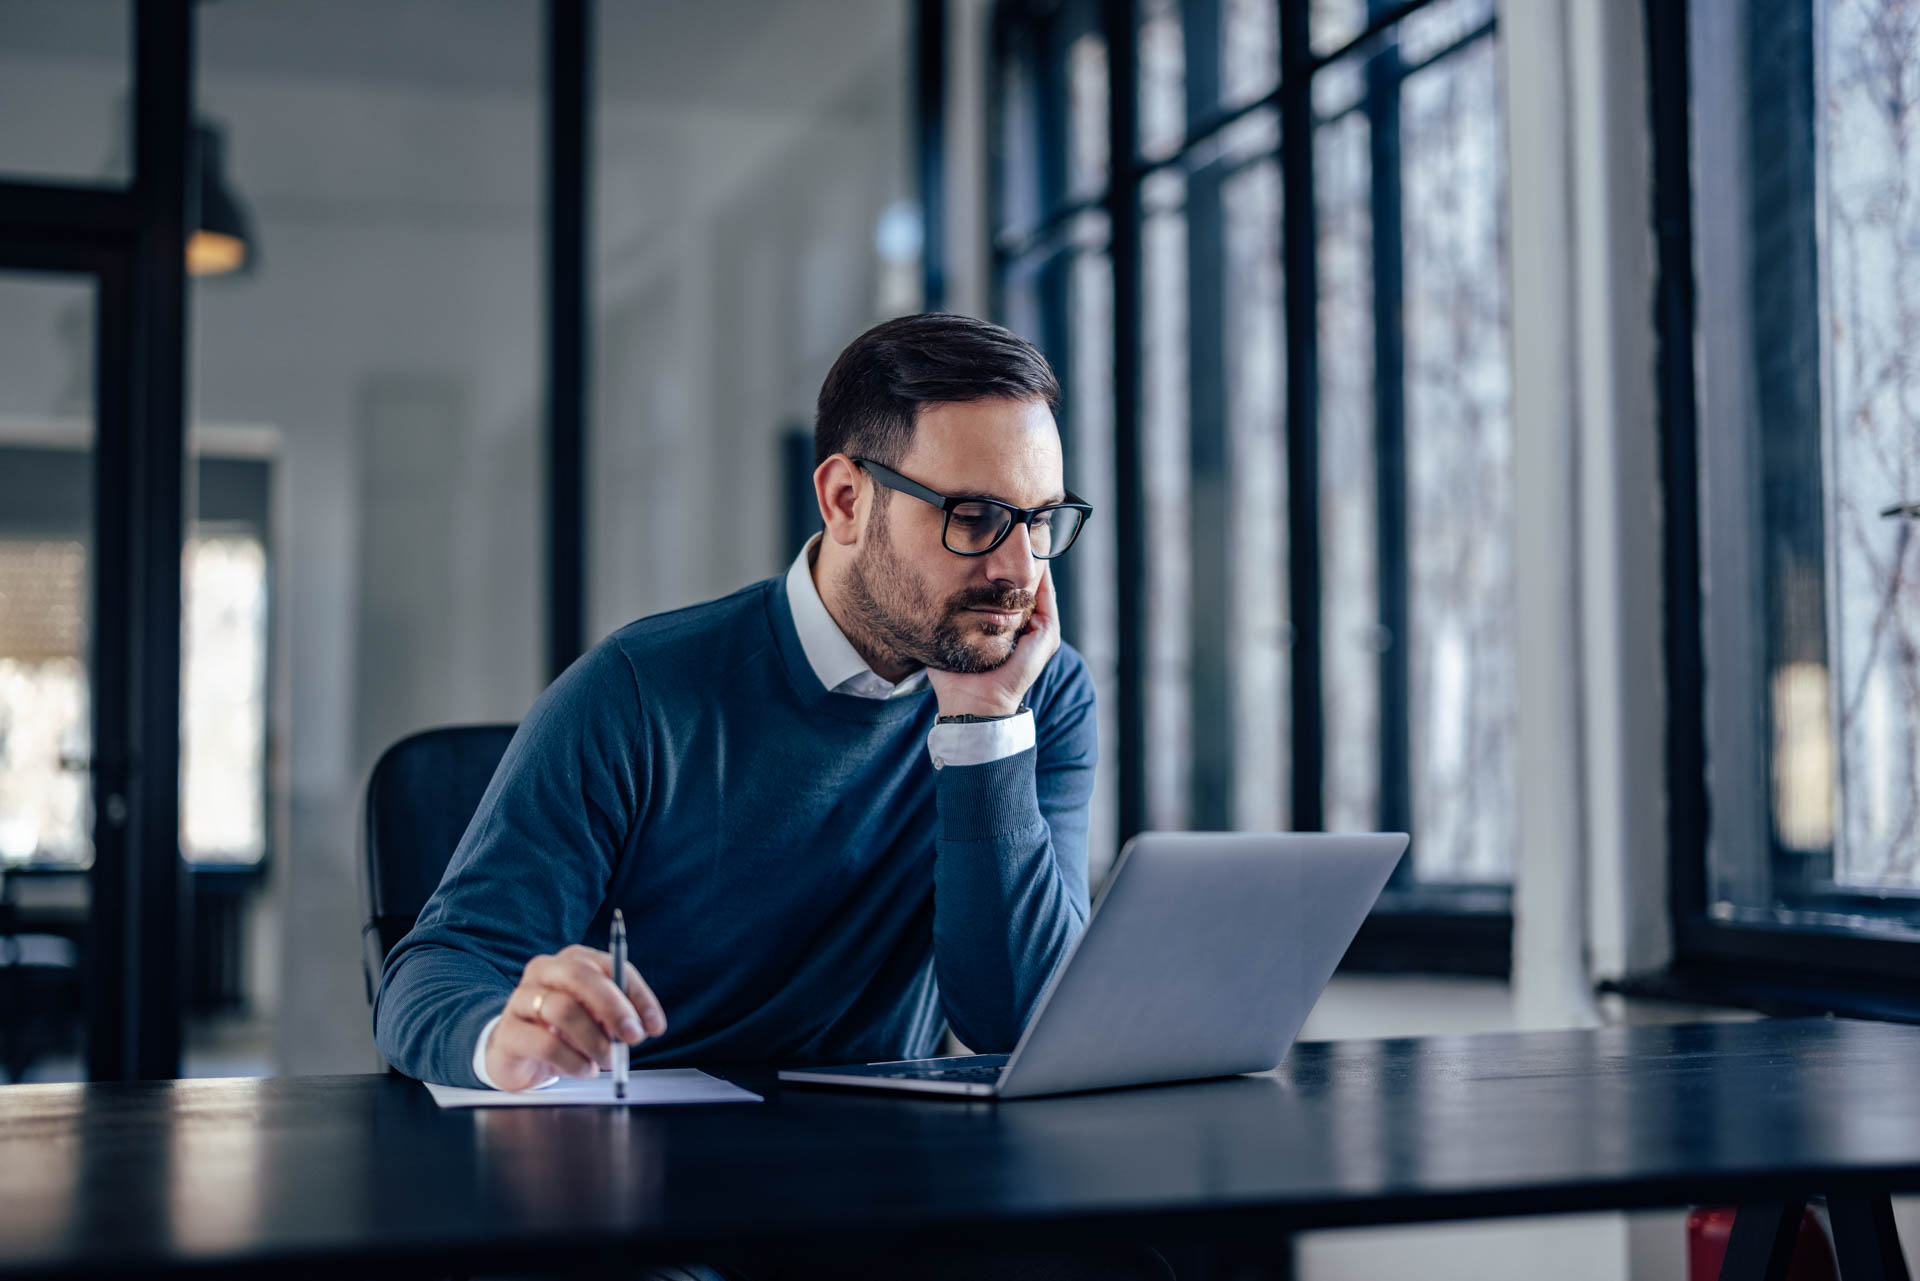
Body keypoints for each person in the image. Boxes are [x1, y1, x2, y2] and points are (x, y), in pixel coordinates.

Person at [372, 310, 1097, 1100]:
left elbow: (1019, 1022)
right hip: (648, 1174)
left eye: (1037, 520)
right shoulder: (637, 692)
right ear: (846, 499)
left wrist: (984, 727)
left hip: (892, 1175)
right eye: (977, 517)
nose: (1018, 567)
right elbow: (432, 970)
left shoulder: (1036, 693)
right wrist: (504, 1034)